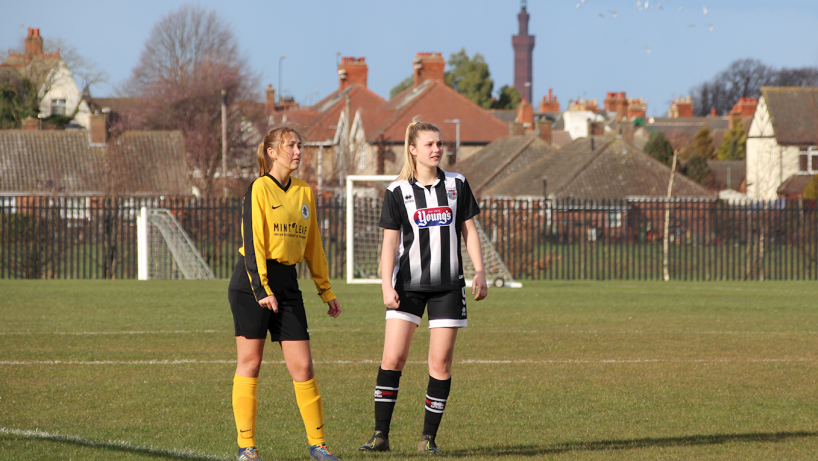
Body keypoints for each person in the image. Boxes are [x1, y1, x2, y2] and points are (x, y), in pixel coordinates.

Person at [358, 120, 488, 454]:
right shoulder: (397, 191)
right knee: (393, 357)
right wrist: (386, 286)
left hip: (448, 287)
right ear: (413, 149)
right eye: (430, 144)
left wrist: (480, 271)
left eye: (440, 144)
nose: (437, 149)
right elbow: (389, 245)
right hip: (408, 287)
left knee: (440, 363)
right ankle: (380, 435)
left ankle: (428, 438)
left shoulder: (457, 184)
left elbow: (469, 232)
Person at [228, 126, 341, 461]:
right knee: (250, 363)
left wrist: (326, 290)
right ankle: (247, 449)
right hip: (252, 284)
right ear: (272, 151)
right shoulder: (259, 189)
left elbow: (313, 246)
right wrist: (262, 288)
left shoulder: (305, 191)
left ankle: (318, 446)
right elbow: (253, 244)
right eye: (290, 145)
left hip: (288, 284)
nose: (297, 151)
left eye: (299, 145)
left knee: (303, 367)